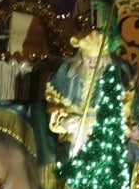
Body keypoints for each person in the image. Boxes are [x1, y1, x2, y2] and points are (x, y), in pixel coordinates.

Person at [45, 29, 108, 158]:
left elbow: (123, 110)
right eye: (88, 58)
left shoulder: (111, 78)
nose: (92, 63)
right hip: (72, 132)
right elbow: (52, 104)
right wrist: (62, 120)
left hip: (102, 134)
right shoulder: (68, 74)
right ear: (81, 56)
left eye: (97, 59)